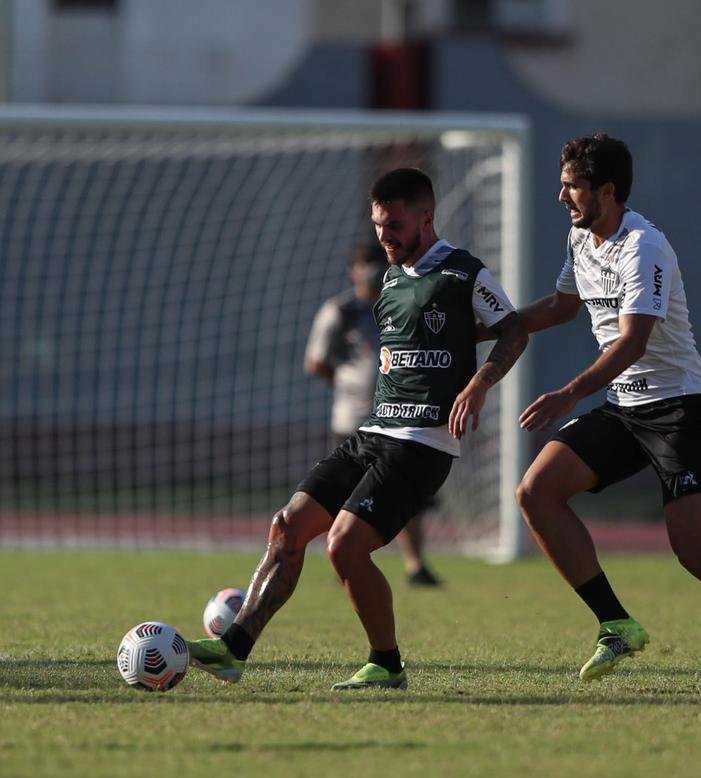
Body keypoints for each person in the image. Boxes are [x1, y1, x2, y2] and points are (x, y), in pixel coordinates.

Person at [188, 167, 528, 689]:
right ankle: (231, 651)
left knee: (344, 545)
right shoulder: (389, 281)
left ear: (426, 217)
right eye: (377, 225)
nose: (384, 236)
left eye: (394, 225)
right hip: (371, 432)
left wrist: (478, 384)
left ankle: (386, 663)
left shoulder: (464, 272)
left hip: (422, 443)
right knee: (287, 526)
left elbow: (514, 330)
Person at [507, 133, 701, 693]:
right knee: (536, 491)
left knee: (695, 552)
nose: (562, 196)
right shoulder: (580, 237)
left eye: (572, 186)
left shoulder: (644, 247)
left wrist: (568, 394)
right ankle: (616, 624)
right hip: (623, 407)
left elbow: (632, 343)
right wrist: (488, 329)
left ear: (607, 190)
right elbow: (562, 305)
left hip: (678, 409)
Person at [304, 241, 441, 587]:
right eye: (364, 264)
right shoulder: (341, 311)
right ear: (353, 270)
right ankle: (341, 559)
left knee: (405, 493)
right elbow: (316, 361)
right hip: (352, 419)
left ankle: (415, 565)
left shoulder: (402, 304)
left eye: (376, 264)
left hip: (399, 417)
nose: (371, 272)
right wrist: (347, 383)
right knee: (344, 494)